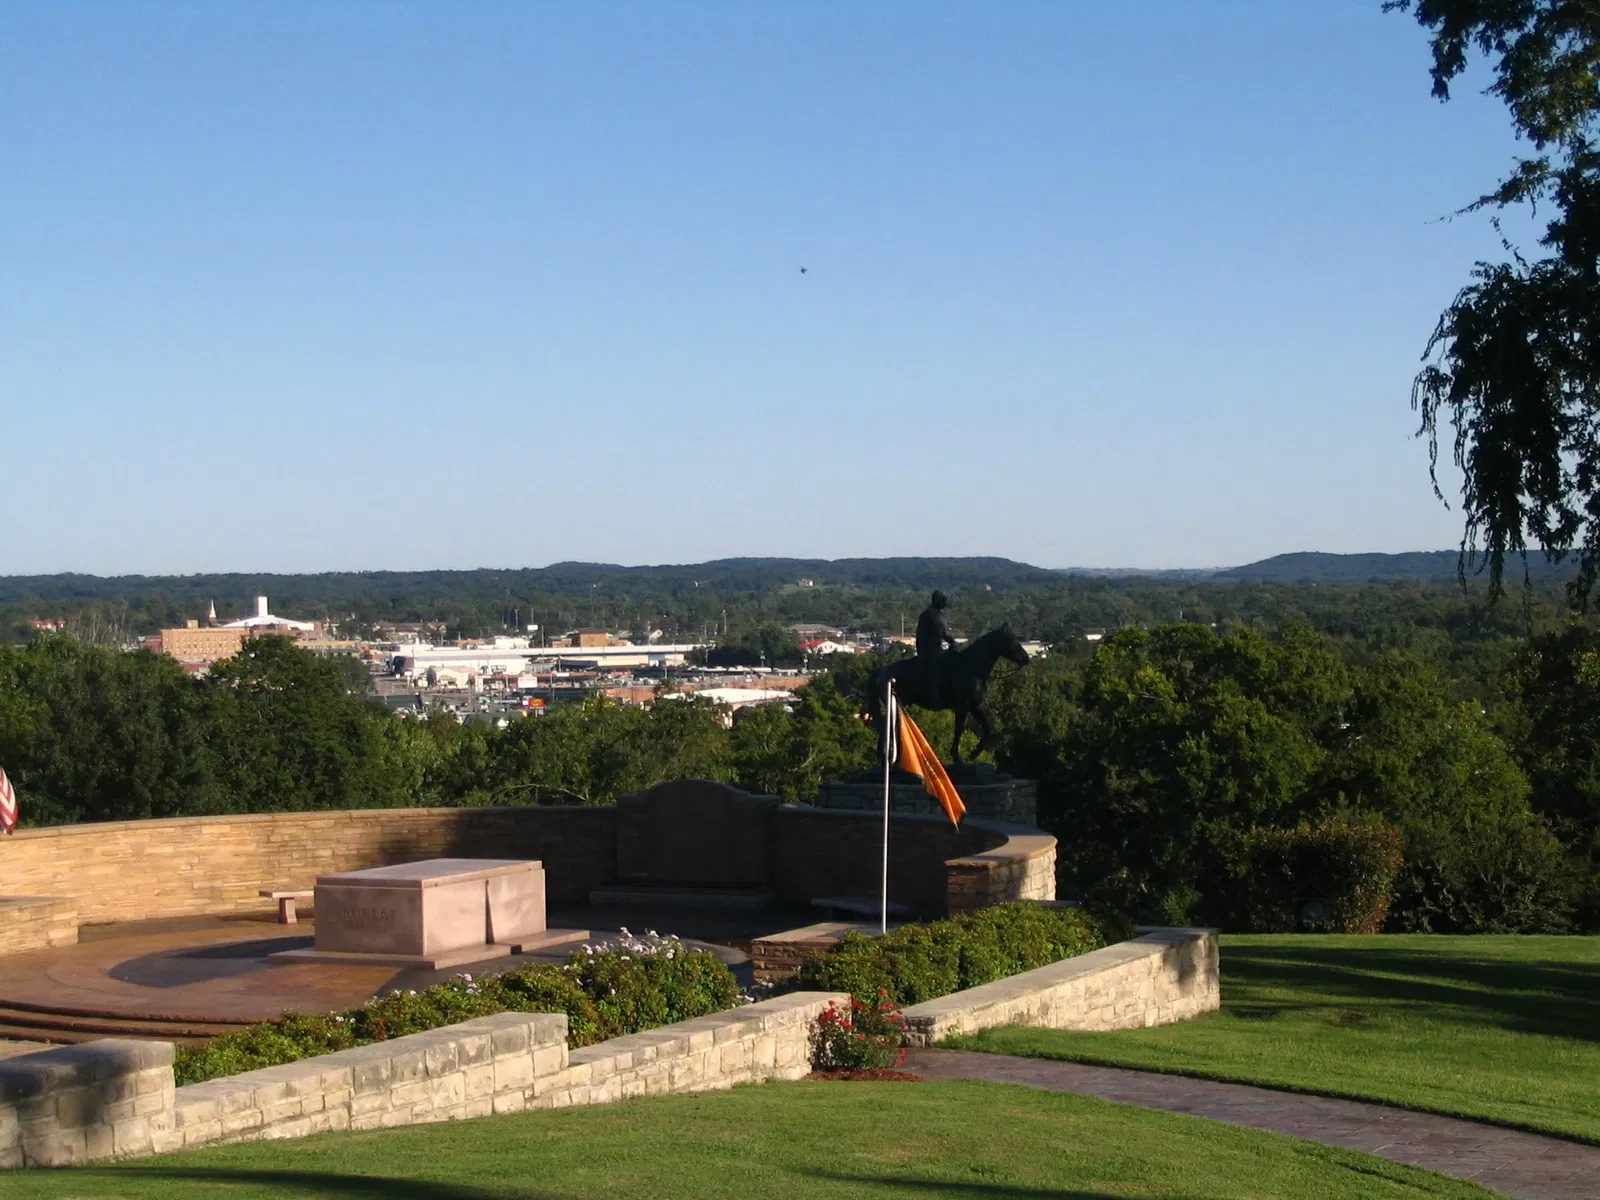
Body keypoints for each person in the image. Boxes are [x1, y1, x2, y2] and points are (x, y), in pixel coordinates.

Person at [914, 590, 958, 706]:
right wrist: (921, 651)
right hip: (928, 650)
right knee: (935, 668)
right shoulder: (926, 615)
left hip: (938, 648)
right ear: (937, 601)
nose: (944, 605)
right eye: (942, 602)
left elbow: (944, 633)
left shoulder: (940, 615)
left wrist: (952, 642)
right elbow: (920, 635)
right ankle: (934, 696)